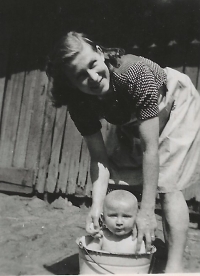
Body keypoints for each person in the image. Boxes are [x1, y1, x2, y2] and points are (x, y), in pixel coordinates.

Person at [46, 31, 200, 273]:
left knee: (167, 183)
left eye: (93, 65)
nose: (93, 77)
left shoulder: (134, 73)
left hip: (174, 104)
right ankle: (121, 251)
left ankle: (174, 267)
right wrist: (96, 206)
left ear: (100, 52)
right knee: (117, 177)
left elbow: (151, 151)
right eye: (80, 76)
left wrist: (147, 212)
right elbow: (100, 158)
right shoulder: (79, 104)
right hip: (133, 117)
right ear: (71, 84)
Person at [86, 189, 146, 254]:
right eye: (113, 216)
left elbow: (143, 260)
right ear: (103, 219)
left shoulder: (136, 240)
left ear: (136, 219)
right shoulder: (102, 236)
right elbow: (89, 253)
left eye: (126, 216)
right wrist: (94, 232)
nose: (119, 222)